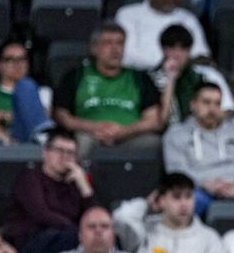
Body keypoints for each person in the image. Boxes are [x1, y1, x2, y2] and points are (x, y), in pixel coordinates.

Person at [111, 173, 232, 253]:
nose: (184, 204)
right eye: (176, 197)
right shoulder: (145, 230)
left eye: (188, 197)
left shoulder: (208, 236)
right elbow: (120, 218)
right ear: (162, 200)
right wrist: (147, 204)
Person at [52, 23, 164, 156]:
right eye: (108, 43)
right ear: (94, 49)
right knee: (81, 141)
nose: (115, 49)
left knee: (155, 143)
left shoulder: (139, 78)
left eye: (120, 43)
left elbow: (153, 120)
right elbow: (62, 116)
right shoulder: (76, 76)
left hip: (131, 135)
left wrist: (124, 131)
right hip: (89, 134)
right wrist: (95, 127)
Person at [162, 83, 234, 216]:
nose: (212, 109)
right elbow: (177, 170)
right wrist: (205, 184)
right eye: (206, 102)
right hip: (198, 188)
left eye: (218, 104)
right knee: (186, 200)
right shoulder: (176, 134)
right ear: (193, 105)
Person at [0, 36, 52, 180]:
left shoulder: (41, 91)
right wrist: (6, 131)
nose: (17, 64)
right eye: (10, 59)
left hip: (28, 137)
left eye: (22, 59)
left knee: (25, 85)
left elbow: (39, 121)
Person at [4, 129, 97, 253]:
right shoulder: (30, 178)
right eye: (59, 150)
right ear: (45, 153)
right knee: (92, 238)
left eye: (70, 153)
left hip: (68, 239)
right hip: (34, 241)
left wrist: (84, 186)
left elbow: (95, 217)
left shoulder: (75, 183)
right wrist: (82, 232)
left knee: (106, 236)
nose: (65, 157)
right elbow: (41, 214)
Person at [115, 0, 211, 73]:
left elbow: (201, 56)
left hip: (180, 79)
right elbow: (127, 56)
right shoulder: (128, 14)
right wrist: (166, 66)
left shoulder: (188, 19)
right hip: (139, 77)